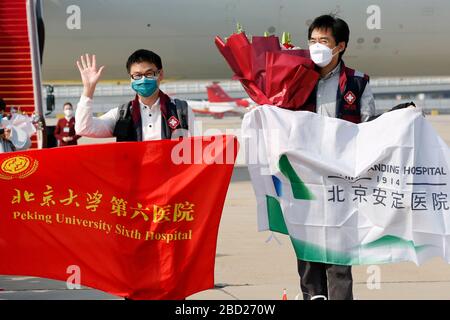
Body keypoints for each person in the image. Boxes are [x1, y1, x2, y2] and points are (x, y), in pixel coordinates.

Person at [296, 14, 377, 300]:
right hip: (304, 179)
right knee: (307, 254)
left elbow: (368, 127)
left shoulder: (357, 83)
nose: (316, 46)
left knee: (339, 259)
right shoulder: (296, 77)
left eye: (324, 41)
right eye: (312, 41)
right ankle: (312, 297)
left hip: (341, 180)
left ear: (340, 46)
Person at [75, 50, 194, 141]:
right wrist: (88, 89)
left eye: (149, 73)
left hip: (171, 174)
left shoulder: (181, 111)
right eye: (137, 75)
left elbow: (194, 151)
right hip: (134, 173)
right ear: (131, 78)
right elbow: (83, 128)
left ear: (160, 74)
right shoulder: (122, 115)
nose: (143, 79)